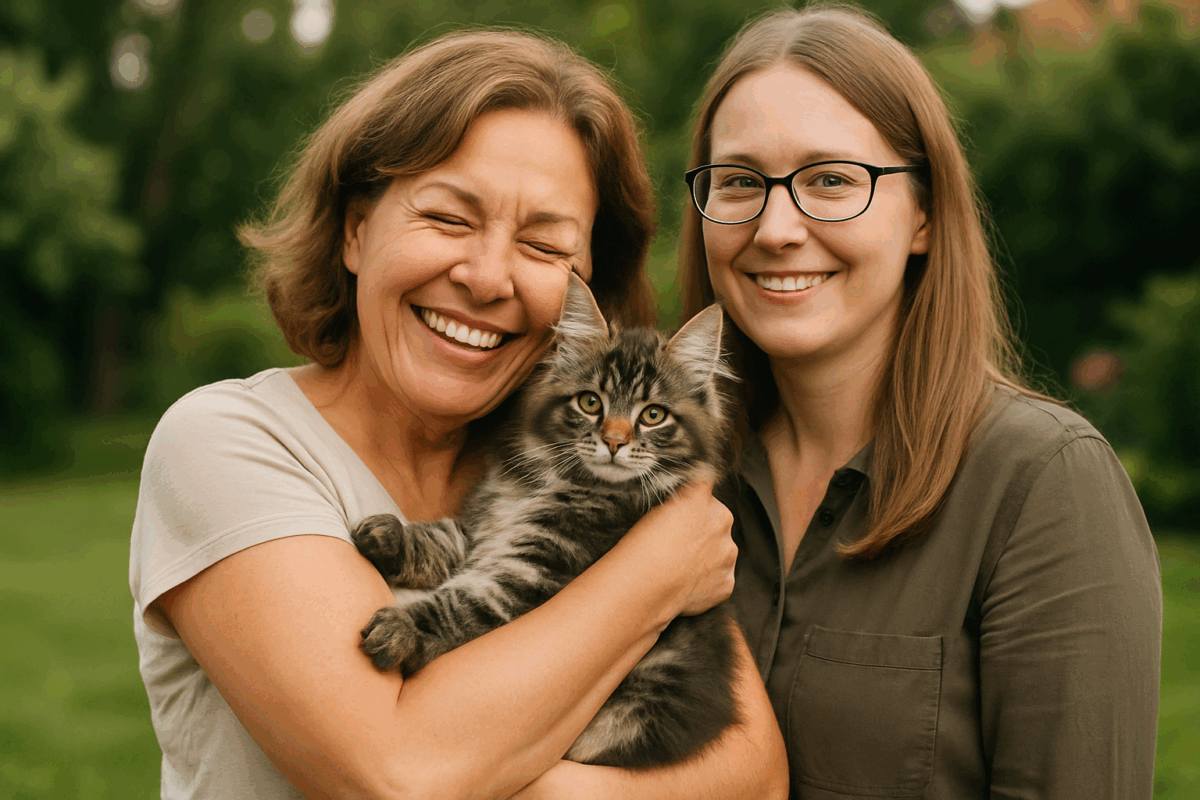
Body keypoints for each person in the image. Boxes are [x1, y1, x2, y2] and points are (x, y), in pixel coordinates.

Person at [129, 29, 788, 800]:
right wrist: (656, 572)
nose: (486, 278)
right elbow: (398, 776)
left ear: (584, 295)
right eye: (448, 218)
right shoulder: (226, 443)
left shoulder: (560, 459)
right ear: (356, 230)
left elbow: (757, 775)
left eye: (543, 244)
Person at [677, 5, 1162, 799]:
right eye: (738, 182)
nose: (775, 228)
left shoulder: (1043, 484)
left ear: (925, 216)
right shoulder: (670, 479)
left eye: (831, 179)